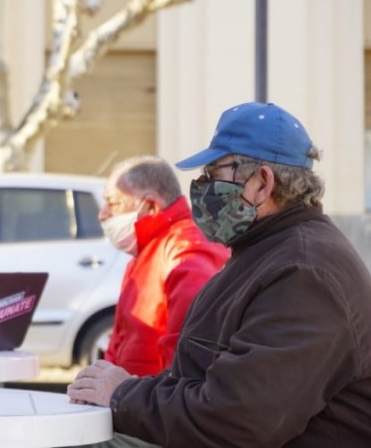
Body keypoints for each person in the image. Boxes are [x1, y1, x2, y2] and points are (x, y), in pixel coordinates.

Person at [68, 102, 371, 446]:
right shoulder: (265, 251)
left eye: (214, 174)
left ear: (262, 183)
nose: (201, 186)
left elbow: (239, 419)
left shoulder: (304, 273)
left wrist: (124, 395)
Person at [99, 156, 229, 377]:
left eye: (113, 202)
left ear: (150, 205)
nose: (103, 214)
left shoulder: (185, 249)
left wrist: (155, 401)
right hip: (135, 400)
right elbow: (121, 339)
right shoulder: (147, 251)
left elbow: (188, 361)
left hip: (154, 404)